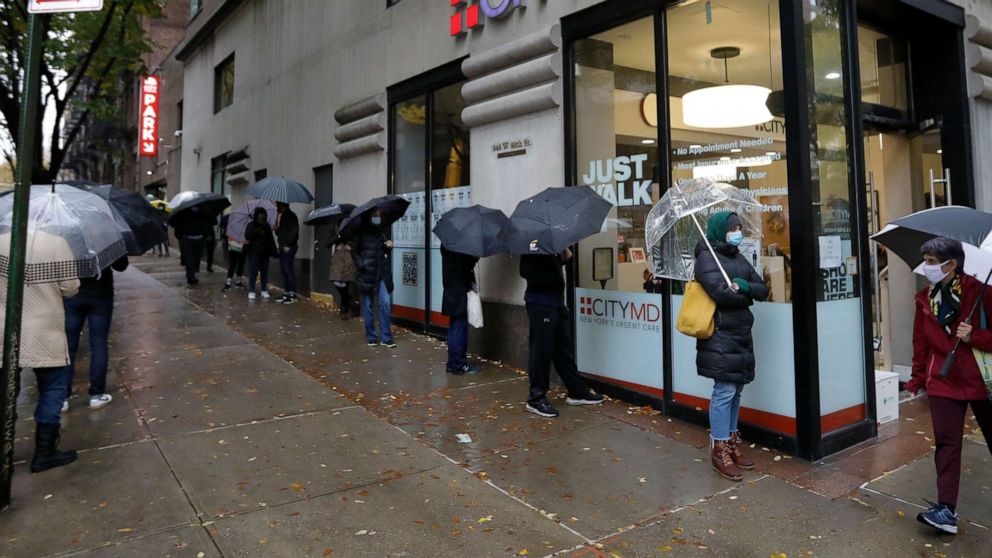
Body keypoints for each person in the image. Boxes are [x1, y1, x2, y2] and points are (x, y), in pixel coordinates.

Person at [905, 237, 992, 535]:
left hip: (981, 381)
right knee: (946, 446)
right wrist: (917, 377)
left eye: (931, 262)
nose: (927, 267)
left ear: (951, 264)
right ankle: (946, 510)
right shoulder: (924, 298)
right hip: (942, 381)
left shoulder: (981, 293)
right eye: (926, 261)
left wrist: (975, 336)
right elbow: (920, 342)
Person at [693, 211, 768, 482]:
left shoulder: (737, 256)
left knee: (736, 390)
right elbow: (722, 295)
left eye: (739, 227)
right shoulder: (706, 258)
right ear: (718, 230)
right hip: (720, 334)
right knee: (724, 390)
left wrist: (744, 286)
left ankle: (731, 442)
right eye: (732, 228)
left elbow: (763, 288)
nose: (738, 231)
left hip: (741, 333)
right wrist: (744, 295)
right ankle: (719, 448)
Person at [0, 231, 80, 473]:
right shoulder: (57, 243)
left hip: (4, 327)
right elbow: (71, 287)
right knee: (53, 389)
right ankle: (44, 453)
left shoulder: (1, 241)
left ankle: (4, 457)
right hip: (45, 328)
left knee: (5, 391)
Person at [519, 248, 603, 418]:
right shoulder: (532, 245)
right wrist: (553, 274)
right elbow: (526, 271)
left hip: (556, 302)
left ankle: (577, 391)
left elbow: (554, 267)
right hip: (541, 303)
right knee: (541, 351)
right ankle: (536, 398)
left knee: (562, 350)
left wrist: (563, 257)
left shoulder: (552, 244)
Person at [62, 255, 129, 412]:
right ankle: (97, 395)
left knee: (68, 346)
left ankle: (61, 398)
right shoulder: (106, 234)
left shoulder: (65, 237)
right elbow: (121, 265)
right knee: (99, 343)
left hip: (72, 295)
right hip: (101, 294)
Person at [353, 209, 395, 348]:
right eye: (375, 214)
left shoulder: (382, 229)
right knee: (368, 305)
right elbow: (354, 251)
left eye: (379, 214)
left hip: (382, 272)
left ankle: (386, 337)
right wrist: (361, 264)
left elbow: (382, 250)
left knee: (385, 303)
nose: (378, 216)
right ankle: (371, 336)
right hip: (367, 273)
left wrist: (388, 246)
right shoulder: (361, 231)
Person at [441, 245, 480, 375]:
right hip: (459, 290)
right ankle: (458, 364)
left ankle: (453, 363)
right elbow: (463, 266)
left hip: (451, 289)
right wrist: (474, 258)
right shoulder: (456, 246)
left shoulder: (448, 242)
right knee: (459, 327)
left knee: (454, 326)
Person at [244, 206, 276, 300]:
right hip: (254, 253)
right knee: (253, 272)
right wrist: (258, 230)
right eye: (260, 215)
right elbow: (247, 236)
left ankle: (263, 290)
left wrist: (274, 251)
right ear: (256, 216)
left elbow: (271, 239)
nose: (262, 217)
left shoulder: (266, 226)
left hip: (265, 253)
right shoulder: (251, 225)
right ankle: (251, 290)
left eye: (263, 215)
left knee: (264, 273)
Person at [174, 207, 210, 285]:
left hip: (191, 239)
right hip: (192, 238)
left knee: (192, 258)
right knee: (192, 258)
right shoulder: (199, 213)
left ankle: (191, 274)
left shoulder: (185, 214)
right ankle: (191, 275)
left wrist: (179, 236)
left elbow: (178, 227)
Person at [275, 201, 300, 304]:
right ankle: (287, 293)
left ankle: (292, 294)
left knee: (288, 269)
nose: (277, 207)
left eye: (278, 205)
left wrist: (287, 245)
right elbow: (282, 232)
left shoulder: (291, 216)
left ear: (283, 205)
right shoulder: (283, 216)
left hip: (288, 247)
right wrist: (277, 229)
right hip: (282, 246)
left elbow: (294, 231)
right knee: (284, 270)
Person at [329, 236, 359, 320]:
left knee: (350, 287)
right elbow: (328, 242)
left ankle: (347, 309)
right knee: (339, 286)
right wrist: (338, 237)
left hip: (350, 260)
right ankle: (346, 306)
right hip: (339, 261)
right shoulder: (335, 228)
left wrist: (350, 244)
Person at [220, 211, 245, 290]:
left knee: (233, 264)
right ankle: (237, 281)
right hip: (240, 246)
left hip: (233, 246)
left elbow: (226, 234)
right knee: (239, 264)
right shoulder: (243, 223)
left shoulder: (230, 222)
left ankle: (229, 282)